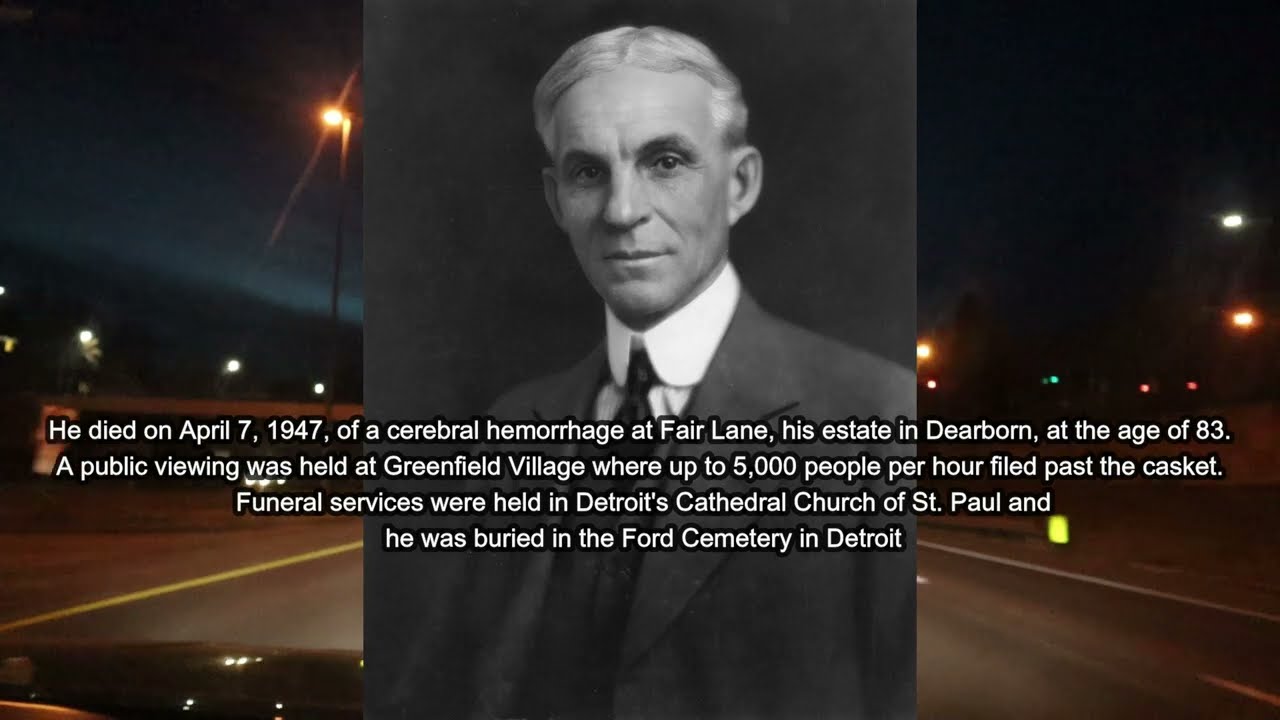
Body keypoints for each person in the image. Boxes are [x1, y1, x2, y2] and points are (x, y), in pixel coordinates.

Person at [421, 25, 916, 720]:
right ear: (556, 199)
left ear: (739, 184)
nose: (623, 212)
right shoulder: (511, 426)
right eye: (588, 172)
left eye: (665, 161)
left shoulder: (880, 419)